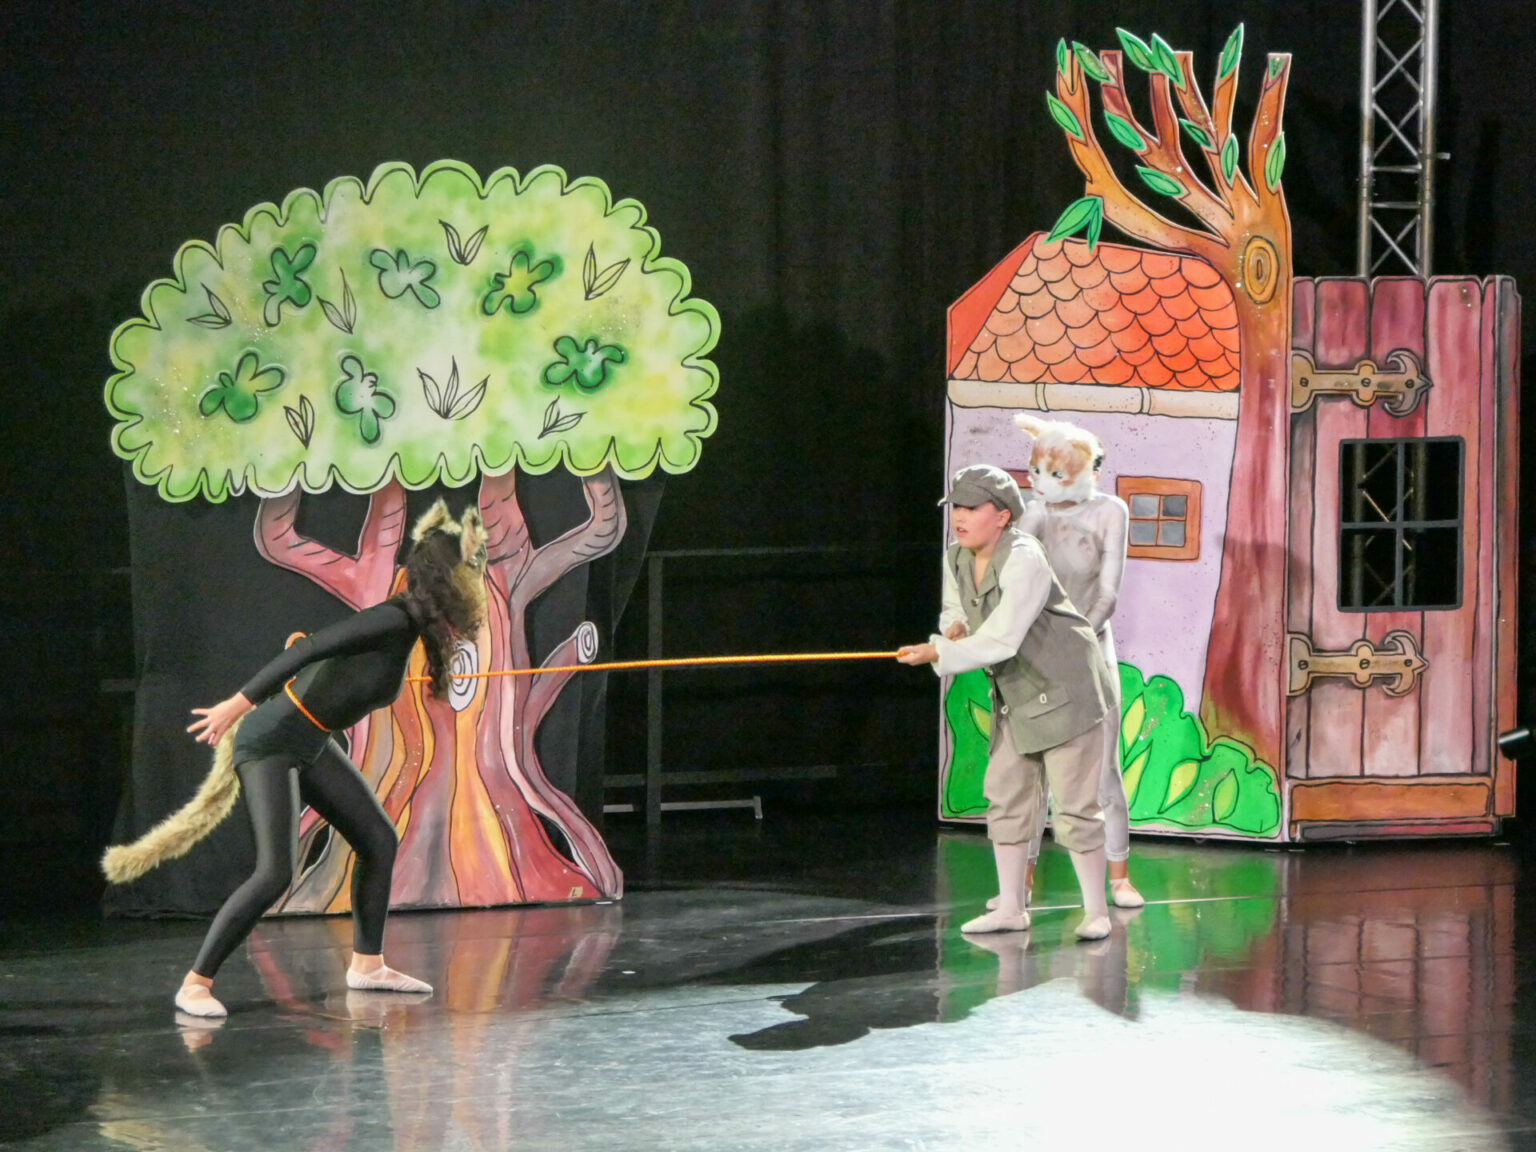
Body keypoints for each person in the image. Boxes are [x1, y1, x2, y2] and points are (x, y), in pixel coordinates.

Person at [103, 499, 487, 1018]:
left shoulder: (410, 628)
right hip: (271, 740)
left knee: (377, 839)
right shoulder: (391, 619)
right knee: (275, 873)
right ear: (447, 580)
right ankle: (195, 984)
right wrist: (237, 704)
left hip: (308, 740)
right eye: (468, 572)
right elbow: (308, 649)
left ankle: (368, 965)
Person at [898, 465, 1116, 940]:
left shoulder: (1024, 558)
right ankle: (1011, 908)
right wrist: (954, 629)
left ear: (1001, 516)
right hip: (1017, 694)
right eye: (956, 507)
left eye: (971, 508)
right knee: (1007, 796)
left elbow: (1003, 637)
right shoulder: (957, 556)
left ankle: (1097, 911)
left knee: (1075, 805)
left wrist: (939, 653)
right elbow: (957, 609)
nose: (959, 517)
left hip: (1066, 692)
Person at [1014, 414, 1143, 910]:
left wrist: (1077, 639)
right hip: (1036, 651)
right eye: (1036, 471)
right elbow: (1013, 578)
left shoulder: (1110, 512)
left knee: (1101, 768)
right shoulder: (1034, 515)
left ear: (1088, 472)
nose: (1041, 482)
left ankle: (1119, 875)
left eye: (1055, 474)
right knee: (1032, 774)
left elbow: (1108, 593)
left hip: (1090, 645)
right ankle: (1020, 883)